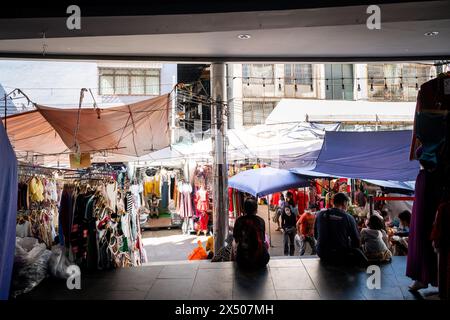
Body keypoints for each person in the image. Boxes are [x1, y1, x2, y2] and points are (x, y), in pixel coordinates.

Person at [314, 192, 368, 267]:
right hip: (340, 254)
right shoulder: (348, 217)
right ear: (344, 203)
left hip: (321, 253)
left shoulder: (319, 214)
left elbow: (316, 235)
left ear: (333, 202)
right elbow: (356, 241)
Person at [233, 198, 270, 270]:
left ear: (244, 209)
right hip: (261, 260)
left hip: (243, 261)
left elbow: (236, 239)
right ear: (256, 210)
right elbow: (263, 239)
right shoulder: (260, 221)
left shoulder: (239, 221)